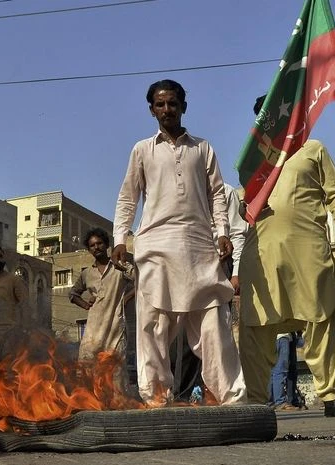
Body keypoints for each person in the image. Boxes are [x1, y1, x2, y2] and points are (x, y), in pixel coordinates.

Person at [111, 79, 246, 406]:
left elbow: (217, 194)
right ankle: (156, 397)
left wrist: (223, 231)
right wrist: (120, 238)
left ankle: (230, 397)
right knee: (153, 325)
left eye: (172, 103)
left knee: (213, 324)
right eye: (160, 104)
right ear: (151, 110)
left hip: (199, 246)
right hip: (154, 246)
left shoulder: (202, 148)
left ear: (183, 106)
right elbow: (128, 197)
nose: (167, 109)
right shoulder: (142, 149)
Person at [238, 95, 335, 418]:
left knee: (322, 319)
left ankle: (333, 397)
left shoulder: (313, 149)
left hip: (309, 252)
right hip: (263, 254)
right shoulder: (252, 160)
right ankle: (255, 403)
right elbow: (244, 207)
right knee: (256, 325)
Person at [171, 182, 248, 401]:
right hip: (186, 268)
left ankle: (220, 393)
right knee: (184, 335)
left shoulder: (226, 192)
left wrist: (236, 273)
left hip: (218, 267)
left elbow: (237, 234)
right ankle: (183, 396)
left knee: (216, 331)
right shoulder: (180, 188)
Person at [69, 228, 135, 390]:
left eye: (99, 243)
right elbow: (73, 294)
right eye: (92, 245)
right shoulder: (87, 274)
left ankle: (118, 403)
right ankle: (87, 400)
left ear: (106, 245)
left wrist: (127, 298)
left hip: (115, 327)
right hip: (93, 329)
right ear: (88, 249)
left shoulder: (119, 266)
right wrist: (85, 305)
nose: (96, 247)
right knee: (86, 368)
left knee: (116, 372)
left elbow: (140, 280)